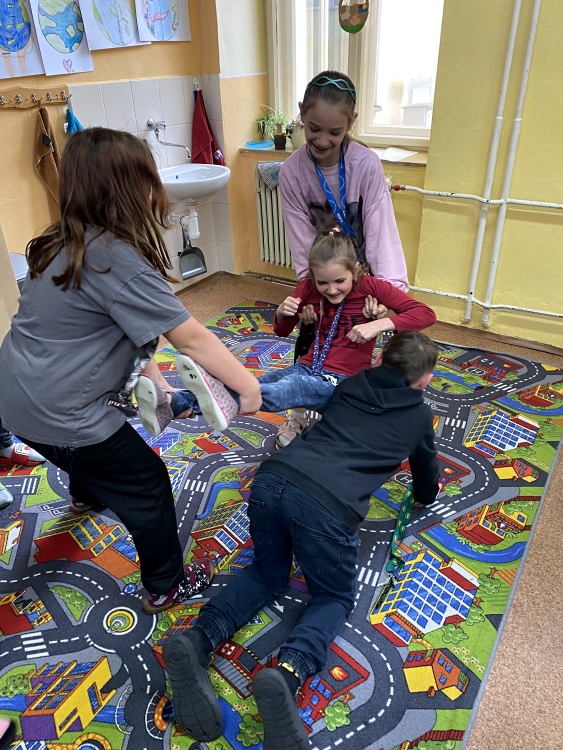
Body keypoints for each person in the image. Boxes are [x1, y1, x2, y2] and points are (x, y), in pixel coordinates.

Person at [0, 127, 261, 615]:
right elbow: (190, 337)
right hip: (63, 411)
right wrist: (247, 385)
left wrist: (157, 382)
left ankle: (85, 493)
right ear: (132, 189)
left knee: (88, 456)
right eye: (150, 177)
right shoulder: (115, 259)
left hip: (14, 398)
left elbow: (131, 332)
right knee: (147, 483)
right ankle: (166, 584)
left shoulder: (58, 242)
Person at [161, 331, 441, 749]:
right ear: (424, 380)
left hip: (273, 479)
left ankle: (198, 640)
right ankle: (288, 672)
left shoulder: (351, 384)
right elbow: (426, 477)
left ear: (381, 359)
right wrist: (426, 493)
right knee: (334, 597)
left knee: (265, 572)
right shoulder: (419, 416)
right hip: (328, 508)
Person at [136, 227, 435, 435]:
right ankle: (175, 403)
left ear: (356, 270)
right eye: (322, 283)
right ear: (312, 276)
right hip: (308, 365)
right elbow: (281, 331)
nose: (331, 290)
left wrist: (378, 324)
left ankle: (205, 397)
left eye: (340, 282)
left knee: (289, 390)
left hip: (342, 380)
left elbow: (426, 314)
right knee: (257, 384)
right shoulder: (308, 288)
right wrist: (283, 312)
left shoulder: (371, 288)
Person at [277, 70, 410, 447]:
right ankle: (297, 413)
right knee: (311, 341)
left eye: (334, 132)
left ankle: (362, 414)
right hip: (322, 274)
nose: (322, 140)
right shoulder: (292, 172)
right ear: (301, 113)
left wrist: (387, 295)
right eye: (312, 128)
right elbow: (301, 241)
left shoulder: (366, 164)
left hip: (364, 277)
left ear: (352, 122)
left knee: (361, 349)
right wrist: (309, 292)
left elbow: (382, 230)